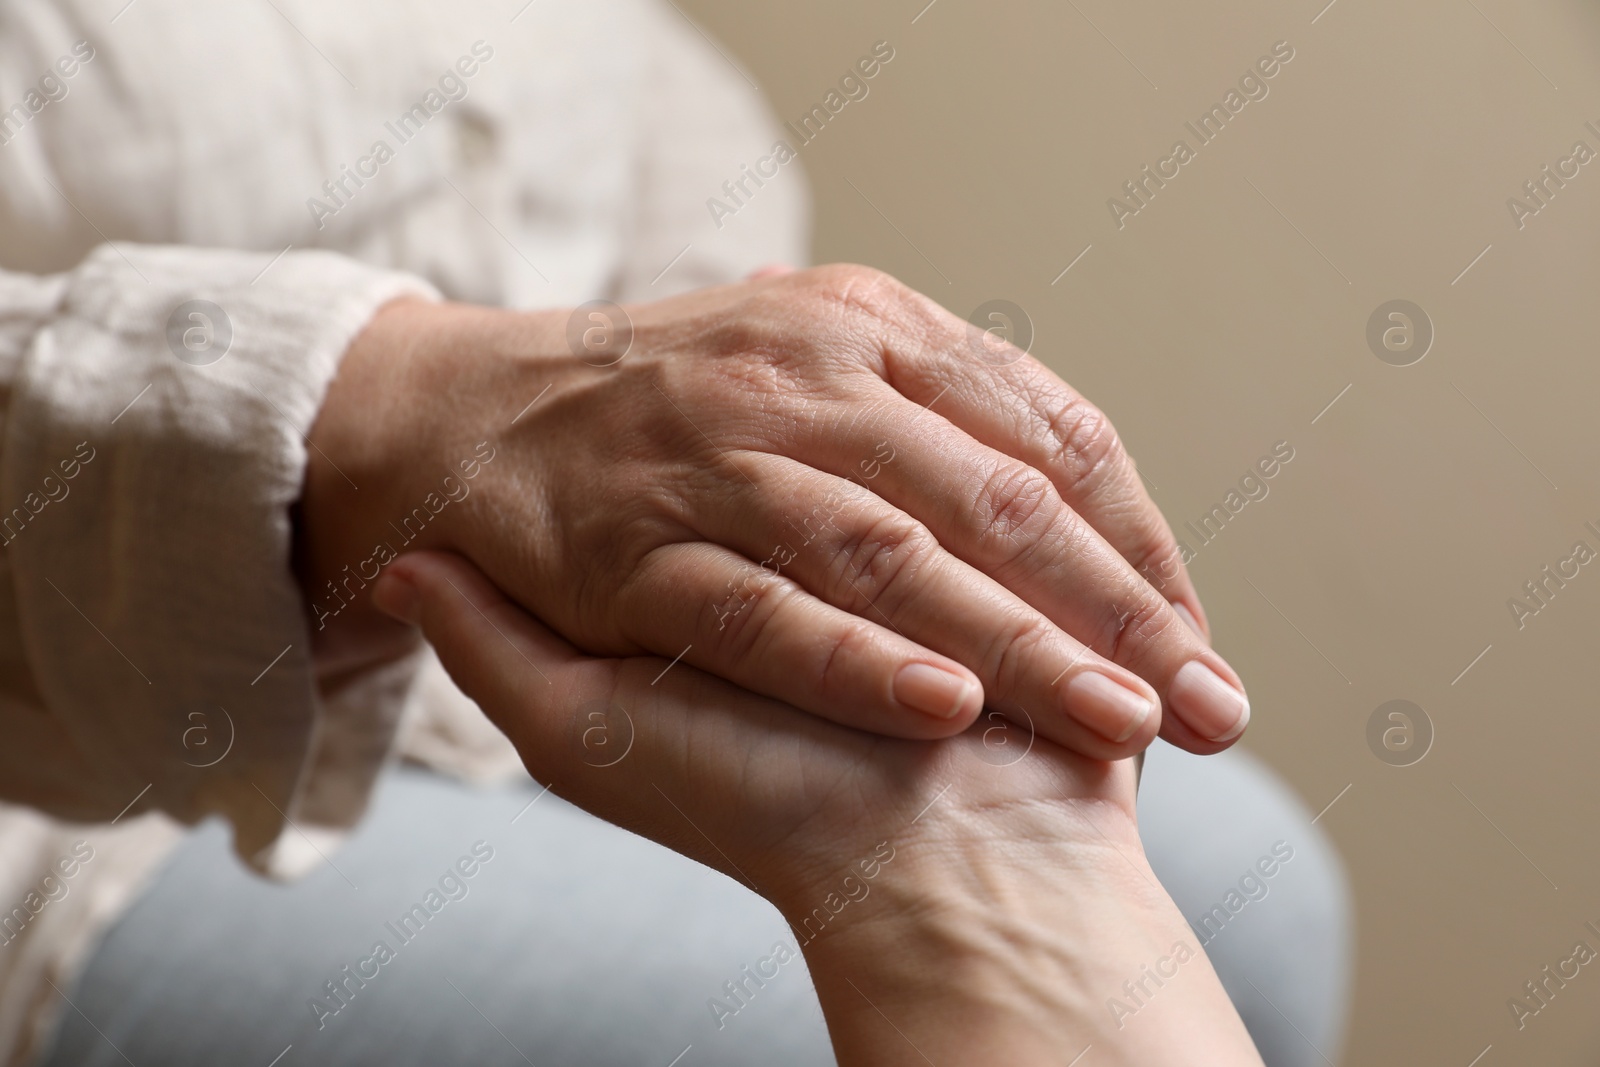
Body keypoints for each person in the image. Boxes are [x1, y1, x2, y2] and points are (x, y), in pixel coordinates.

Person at [0, 1, 1349, 1063]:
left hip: (508, 591)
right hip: (75, 787)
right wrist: (402, 406)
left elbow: (642, 95)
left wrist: (706, 410)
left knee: (1254, 887)